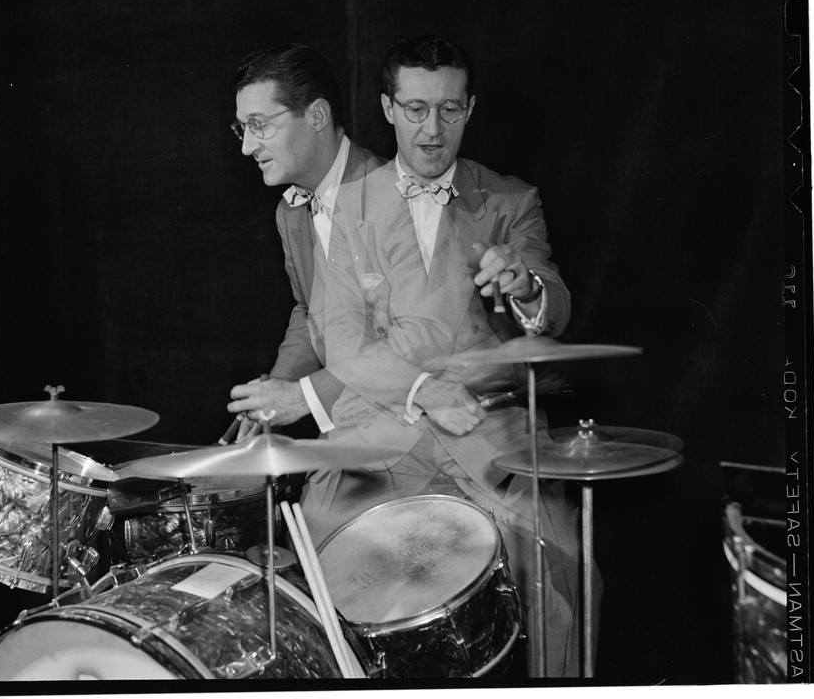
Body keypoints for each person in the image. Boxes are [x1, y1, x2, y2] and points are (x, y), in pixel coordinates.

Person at [301, 34, 591, 678]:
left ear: (470, 109)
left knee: (568, 574)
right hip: (383, 427)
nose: (432, 130)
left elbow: (554, 298)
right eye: (415, 109)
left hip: (491, 433)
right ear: (387, 107)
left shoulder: (512, 200)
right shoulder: (347, 207)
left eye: (450, 110)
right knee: (314, 569)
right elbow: (344, 341)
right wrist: (417, 393)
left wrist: (524, 287)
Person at [225, 44, 383, 439]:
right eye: (242, 128)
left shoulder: (393, 196)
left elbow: (411, 340)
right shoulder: (290, 212)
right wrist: (272, 396)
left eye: (260, 125)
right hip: (350, 427)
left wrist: (302, 396)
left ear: (316, 115)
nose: (247, 146)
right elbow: (311, 311)